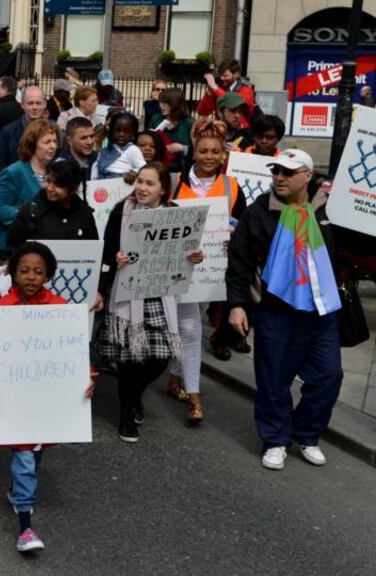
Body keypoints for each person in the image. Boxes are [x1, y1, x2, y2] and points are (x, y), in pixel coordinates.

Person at [226, 149, 343, 471]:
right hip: (277, 311)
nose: (279, 177)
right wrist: (237, 305)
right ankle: (276, 440)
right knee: (274, 380)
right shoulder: (259, 212)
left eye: (288, 172)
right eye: (276, 170)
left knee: (329, 377)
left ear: (307, 175)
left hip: (322, 311)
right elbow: (240, 262)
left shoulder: (329, 206)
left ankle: (306, 433)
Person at [0, 241, 95, 553]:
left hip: (48, 401)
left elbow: (74, 347)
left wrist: (88, 377)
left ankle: (17, 491)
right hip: (16, 400)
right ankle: (25, 528)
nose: (30, 276)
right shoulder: (0, 310)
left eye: (38, 272)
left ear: (49, 275)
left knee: (36, 453)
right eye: (24, 270)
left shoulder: (59, 306)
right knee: (25, 458)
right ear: (13, 272)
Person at [95, 162, 204, 442]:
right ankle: (126, 413)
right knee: (130, 359)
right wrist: (115, 258)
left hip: (161, 296)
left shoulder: (175, 214)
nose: (142, 188)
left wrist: (194, 257)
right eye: (140, 181)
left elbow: (185, 252)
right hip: (127, 294)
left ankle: (134, 394)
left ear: (163, 189)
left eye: (149, 183)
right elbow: (106, 251)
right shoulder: (123, 210)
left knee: (159, 357)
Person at [169, 119, 246, 422]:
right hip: (179, 266)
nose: (210, 156)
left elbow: (242, 226)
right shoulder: (176, 181)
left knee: (194, 323)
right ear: (195, 151)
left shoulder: (231, 186)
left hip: (212, 270)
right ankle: (194, 395)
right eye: (204, 151)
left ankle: (176, 378)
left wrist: (232, 235)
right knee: (190, 329)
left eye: (215, 151)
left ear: (223, 155)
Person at [0, 119, 58, 258]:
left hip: (47, 247)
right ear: (32, 145)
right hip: (15, 249)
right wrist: (28, 216)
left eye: (55, 142)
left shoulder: (55, 172)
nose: (53, 146)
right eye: (47, 142)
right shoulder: (14, 171)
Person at [7, 158, 98, 251]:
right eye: (48, 180)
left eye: (58, 185)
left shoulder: (84, 215)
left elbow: (93, 252)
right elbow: (12, 249)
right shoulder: (32, 211)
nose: (50, 188)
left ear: (72, 189)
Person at [0, 85, 48, 176]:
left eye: (38, 103)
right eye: (30, 103)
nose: (35, 107)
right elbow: (0, 168)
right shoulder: (8, 132)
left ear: (45, 104)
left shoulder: (54, 131)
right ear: (22, 105)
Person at [147, 87, 194, 173]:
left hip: (182, 170)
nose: (160, 105)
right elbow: (146, 140)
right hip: (158, 168)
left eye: (165, 103)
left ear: (175, 103)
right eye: (160, 102)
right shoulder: (156, 119)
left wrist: (183, 148)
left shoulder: (189, 123)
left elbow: (199, 147)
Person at [95, 112, 144, 181]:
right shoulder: (105, 150)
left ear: (133, 133)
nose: (121, 134)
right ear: (111, 131)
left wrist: (135, 172)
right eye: (118, 130)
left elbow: (143, 168)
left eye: (126, 131)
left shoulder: (132, 150)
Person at [57, 116, 98, 181]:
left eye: (92, 136)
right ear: (69, 141)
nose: (89, 142)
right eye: (83, 138)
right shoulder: (60, 165)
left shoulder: (99, 159)